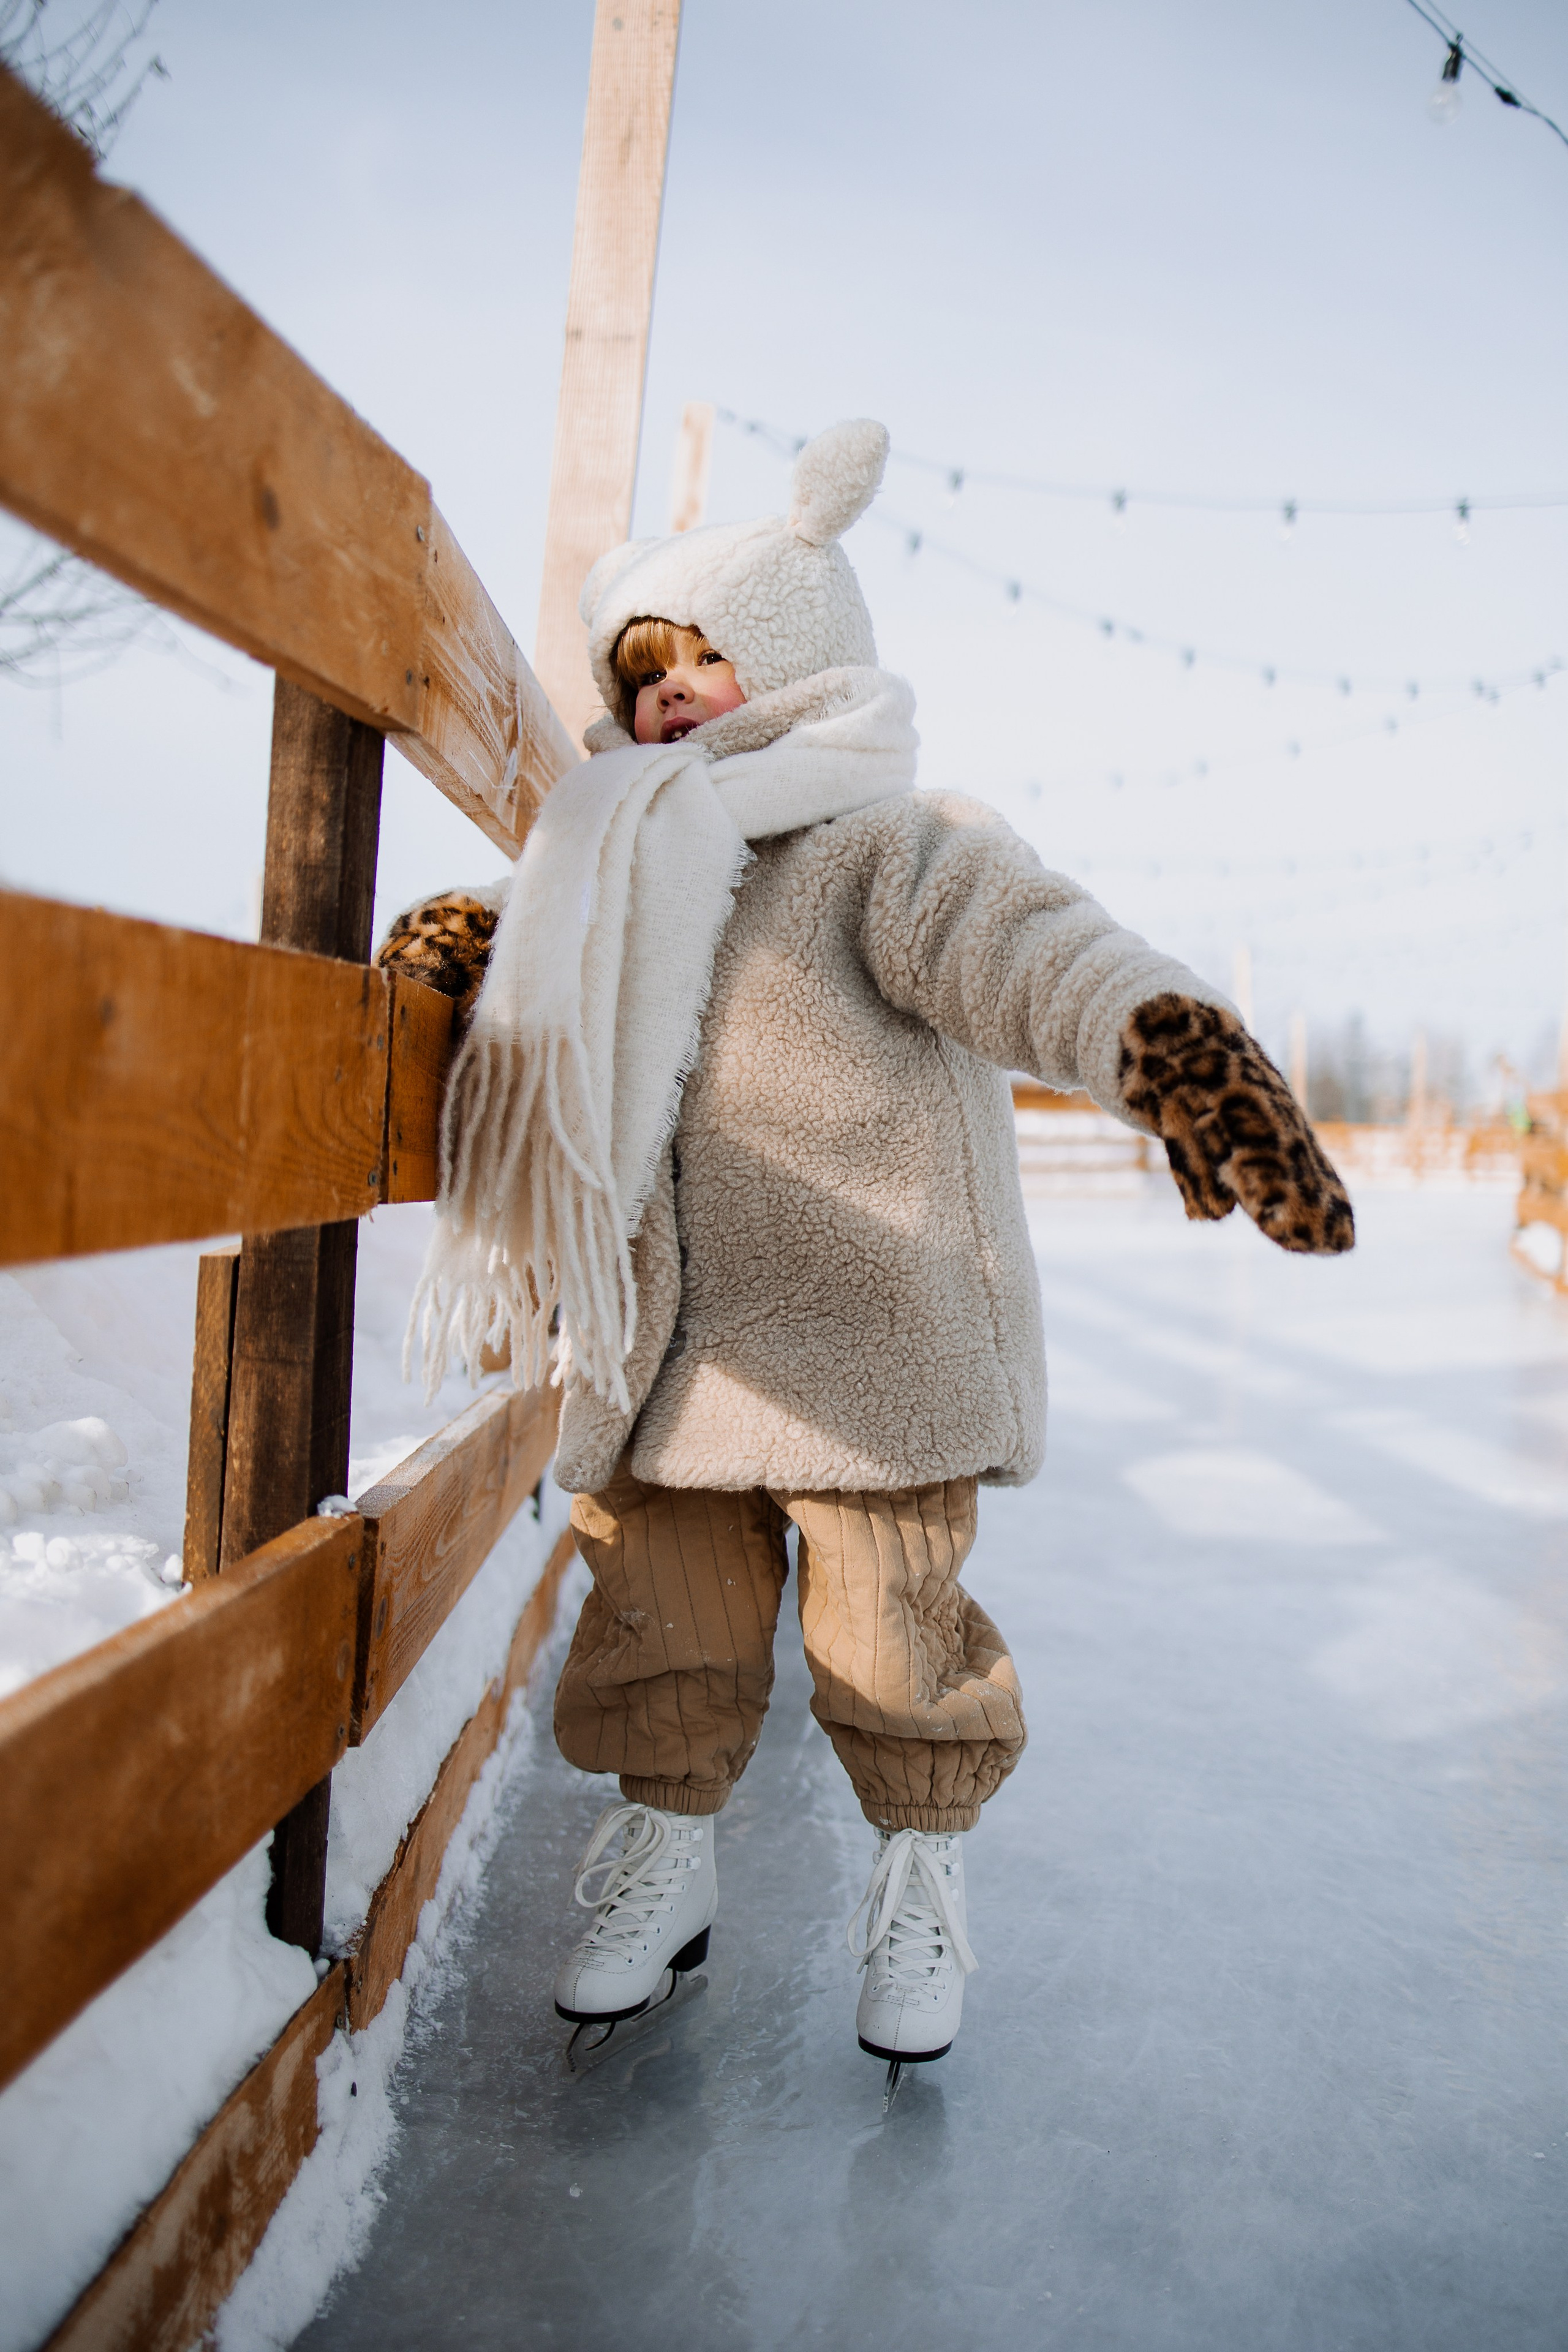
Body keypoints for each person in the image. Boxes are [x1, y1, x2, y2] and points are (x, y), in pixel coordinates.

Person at [379, 419, 1353, 2086]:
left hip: (872, 1338)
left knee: (892, 1640)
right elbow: (533, 948)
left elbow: (1031, 949)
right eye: (644, 669)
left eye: (710, 653)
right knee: (658, 1623)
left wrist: (1167, 1040)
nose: (674, 691)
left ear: (810, 659)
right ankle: (668, 1859)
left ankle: (919, 1872)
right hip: (674, 1344)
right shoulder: (607, 855)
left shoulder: (888, 847)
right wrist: (473, 941)